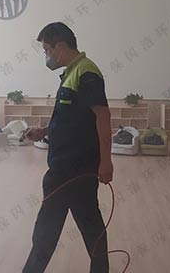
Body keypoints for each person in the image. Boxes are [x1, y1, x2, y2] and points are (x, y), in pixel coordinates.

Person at [22, 22, 113, 273]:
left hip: (70, 170)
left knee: (46, 232)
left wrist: (106, 161)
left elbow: (102, 116)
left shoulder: (86, 73)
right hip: (75, 168)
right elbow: (73, 118)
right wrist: (43, 131)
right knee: (91, 227)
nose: (46, 55)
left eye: (47, 50)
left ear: (60, 46)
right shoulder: (72, 73)